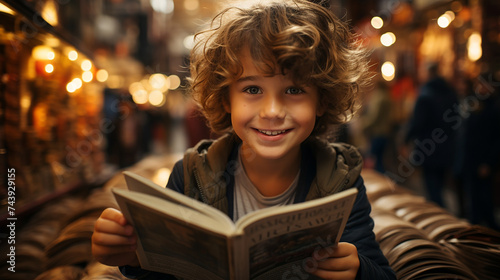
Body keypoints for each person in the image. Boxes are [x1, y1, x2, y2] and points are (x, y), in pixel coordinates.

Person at [92, 1, 396, 279]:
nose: (272, 111)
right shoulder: (191, 176)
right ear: (226, 99)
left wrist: (357, 270)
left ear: (322, 101)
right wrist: (132, 256)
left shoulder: (341, 180)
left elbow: (380, 272)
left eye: (294, 90)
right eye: (252, 90)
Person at [403, 62, 458, 208]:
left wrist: (406, 139)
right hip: (447, 147)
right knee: (440, 185)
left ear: (428, 73)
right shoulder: (451, 93)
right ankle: (445, 217)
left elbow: (417, 123)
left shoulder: (425, 95)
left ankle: (441, 221)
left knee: (432, 189)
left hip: (429, 147)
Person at [362, 80, 393, 174]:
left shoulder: (378, 97)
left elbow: (373, 117)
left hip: (377, 133)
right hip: (386, 132)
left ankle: (382, 183)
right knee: (380, 160)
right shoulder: (388, 96)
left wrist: (361, 125)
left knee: (374, 161)